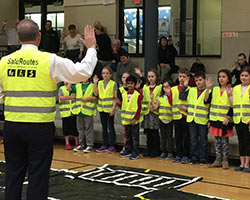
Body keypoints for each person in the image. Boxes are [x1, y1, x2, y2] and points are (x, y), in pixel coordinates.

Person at [0, 19, 97, 200]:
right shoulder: (49, 60)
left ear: (19, 38)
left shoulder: (5, 62)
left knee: (13, 175)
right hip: (39, 127)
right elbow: (82, 72)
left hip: (12, 126)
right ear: (39, 37)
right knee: (38, 176)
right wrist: (91, 48)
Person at [179, 72, 210, 165]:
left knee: (203, 140)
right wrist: (184, 86)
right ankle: (194, 157)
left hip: (203, 119)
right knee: (193, 139)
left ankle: (203, 158)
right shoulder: (191, 90)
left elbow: (207, 102)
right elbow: (182, 96)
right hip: (192, 118)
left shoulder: (208, 91)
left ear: (204, 80)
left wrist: (208, 88)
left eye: (200, 80)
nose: (198, 82)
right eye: (196, 80)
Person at [205, 69, 233, 170]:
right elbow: (207, 101)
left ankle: (225, 160)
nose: (221, 79)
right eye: (220, 76)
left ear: (228, 78)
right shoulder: (215, 89)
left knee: (224, 141)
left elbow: (232, 106)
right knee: (217, 140)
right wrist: (207, 88)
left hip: (224, 120)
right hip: (214, 119)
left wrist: (228, 117)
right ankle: (218, 159)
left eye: (224, 77)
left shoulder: (231, 90)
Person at [117, 75, 143, 160]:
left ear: (135, 84)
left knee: (135, 137)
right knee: (127, 137)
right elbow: (124, 106)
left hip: (134, 120)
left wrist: (135, 118)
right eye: (128, 83)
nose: (130, 85)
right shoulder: (124, 94)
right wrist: (118, 103)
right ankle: (128, 150)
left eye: (132, 83)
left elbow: (139, 108)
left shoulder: (137, 94)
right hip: (126, 120)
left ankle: (135, 152)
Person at [94, 66, 117, 153]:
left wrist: (113, 109)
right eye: (103, 73)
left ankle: (112, 145)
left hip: (109, 108)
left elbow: (115, 97)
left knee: (110, 127)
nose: (105, 75)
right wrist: (95, 83)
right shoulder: (99, 83)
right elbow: (96, 94)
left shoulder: (113, 83)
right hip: (101, 108)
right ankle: (104, 144)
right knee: (104, 127)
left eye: (107, 73)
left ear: (110, 74)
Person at [72, 78, 97, 153]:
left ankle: (89, 145)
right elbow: (69, 89)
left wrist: (89, 98)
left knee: (88, 128)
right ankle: (81, 144)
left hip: (88, 111)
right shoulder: (77, 85)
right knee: (80, 128)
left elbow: (96, 96)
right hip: (79, 110)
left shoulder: (92, 85)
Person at [233, 67, 250, 173]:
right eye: (242, 75)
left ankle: (247, 165)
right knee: (241, 141)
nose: (244, 77)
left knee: (247, 142)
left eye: (246, 75)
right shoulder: (236, 88)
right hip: (238, 119)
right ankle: (241, 163)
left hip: (247, 120)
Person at [151, 79, 174, 160]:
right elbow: (155, 107)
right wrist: (151, 99)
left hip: (170, 119)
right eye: (164, 87)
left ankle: (170, 152)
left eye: (167, 87)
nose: (166, 89)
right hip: (162, 119)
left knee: (169, 137)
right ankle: (164, 151)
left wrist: (169, 95)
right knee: (163, 136)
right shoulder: (160, 97)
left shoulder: (173, 97)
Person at [171, 68, 190, 163]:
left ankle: (186, 154)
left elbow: (183, 97)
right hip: (176, 116)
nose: (182, 79)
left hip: (185, 116)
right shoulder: (173, 89)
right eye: (180, 76)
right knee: (177, 137)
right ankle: (178, 154)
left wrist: (185, 86)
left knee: (186, 137)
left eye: (184, 77)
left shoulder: (190, 89)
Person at [142, 69, 162, 157]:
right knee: (148, 132)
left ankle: (156, 150)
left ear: (156, 77)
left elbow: (160, 99)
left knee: (155, 132)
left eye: (152, 76)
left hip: (155, 113)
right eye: (149, 77)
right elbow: (143, 99)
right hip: (147, 112)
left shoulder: (159, 87)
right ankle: (149, 149)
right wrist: (147, 108)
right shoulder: (145, 87)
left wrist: (155, 107)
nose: (150, 78)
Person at [58, 82, 79, 150]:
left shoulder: (74, 88)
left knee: (74, 128)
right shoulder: (61, 88)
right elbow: (61, 97)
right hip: (65, 112)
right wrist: (70, 97)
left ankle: (77, 143)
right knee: (66, 129)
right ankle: (67, 143)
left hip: (73, 112)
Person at [116, 72, 130, 153]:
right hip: (124, 114)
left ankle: (132, 147)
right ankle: (125, 146)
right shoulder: (120, 90)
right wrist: (118, 102)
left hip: (132, 114)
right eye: (123, 77)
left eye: (126, 77)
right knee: (125, 132)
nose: (125, 79)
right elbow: (120, 102)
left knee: (132, 132)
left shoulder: (133, 89)